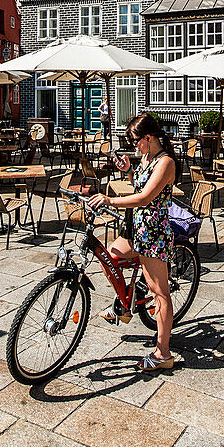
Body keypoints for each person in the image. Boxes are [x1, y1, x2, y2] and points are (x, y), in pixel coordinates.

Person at [89, 113, 177, 373]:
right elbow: (137, 184)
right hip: (136, 228)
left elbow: (144, 198)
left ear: (148, 138)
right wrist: (128, 170)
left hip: (153, 233)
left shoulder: (166, 162)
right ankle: (126, 304)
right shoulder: (147, 157)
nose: (134, 146)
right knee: (110, 256)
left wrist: (108, 200)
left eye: (135, 140)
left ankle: (163, 353)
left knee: (159, 292)